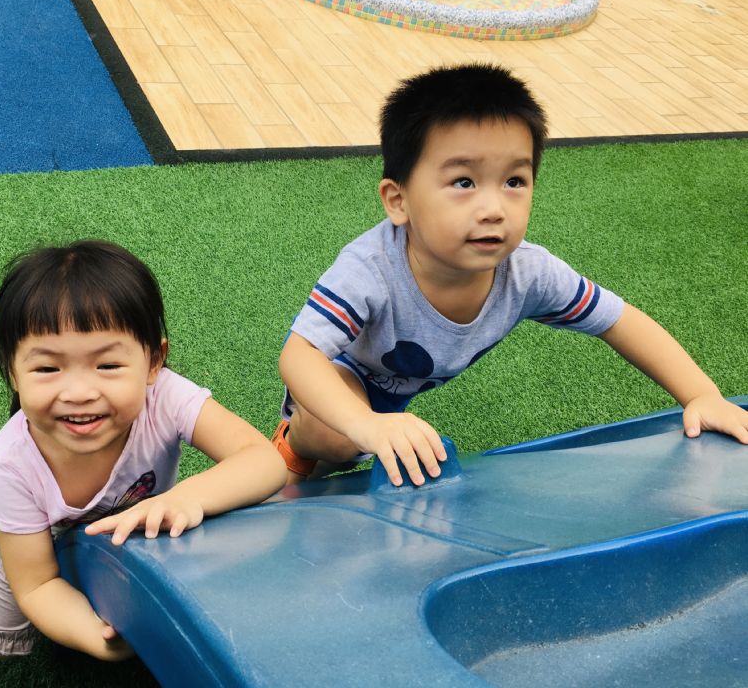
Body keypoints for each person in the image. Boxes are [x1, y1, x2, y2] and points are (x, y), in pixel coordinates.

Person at [274, 63, 748, 486]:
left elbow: (619, 320)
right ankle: (294, 450)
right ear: (398, 201)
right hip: (339, 374)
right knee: (337, 440)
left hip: (395, 387)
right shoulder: (371, 268)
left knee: (362, 439)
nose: (493, 208)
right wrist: (366, 424)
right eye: (463, 182)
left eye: (514, 181)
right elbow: (300, 355)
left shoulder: (527, 273)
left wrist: (701, 395)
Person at [0, 241, 287, 686]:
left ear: (154, 361)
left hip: (128, 529)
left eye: (108, 365)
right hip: (38, 536)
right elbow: (36, 584)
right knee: (6, 636)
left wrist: (187, 497)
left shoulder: (166, 397)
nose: (79, 392)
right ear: (13, 372)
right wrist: (95, 635)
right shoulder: (10, 462)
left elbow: (264, 461)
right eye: (47, 369)